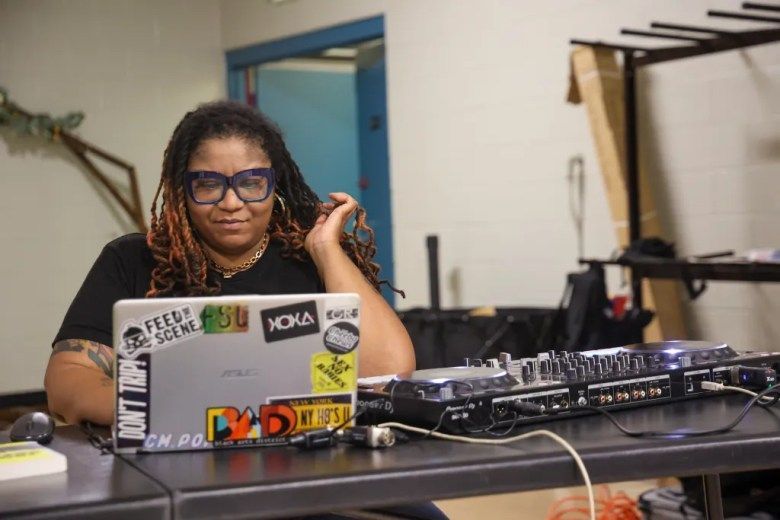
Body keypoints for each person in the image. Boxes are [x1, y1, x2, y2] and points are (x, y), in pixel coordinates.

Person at [45, 100, 416, 426]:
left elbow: (388, 371)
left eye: (252, 183)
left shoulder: (315, 261)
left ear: (275, 185)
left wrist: (325, 250)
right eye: (208, 184)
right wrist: (170, 408)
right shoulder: (132, 261)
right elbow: (68, 379)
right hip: (173, 465)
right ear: (182, 190)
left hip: (304, 460)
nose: (231, 203)